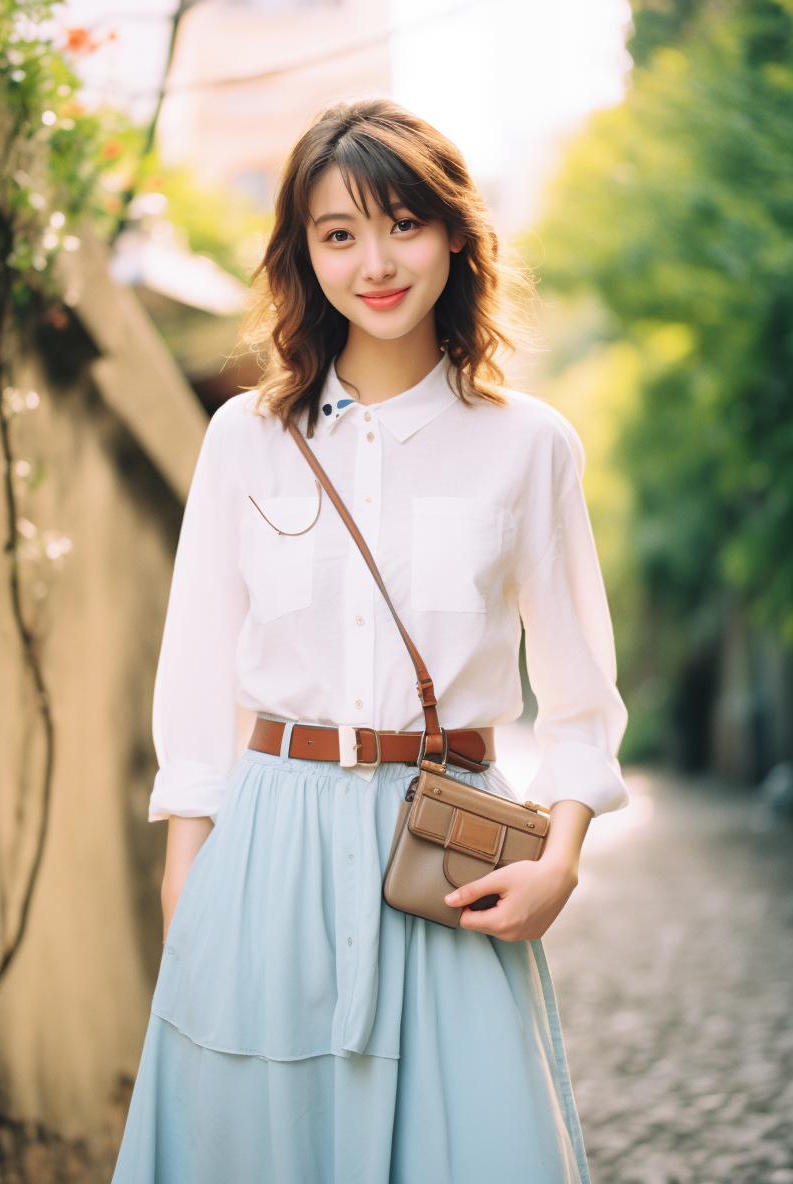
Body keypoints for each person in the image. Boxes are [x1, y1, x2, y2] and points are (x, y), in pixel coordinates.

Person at [112, 98, 628, 1184]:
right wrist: (186, 891)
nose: (376, 262)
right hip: (267, 848)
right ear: (304, 254)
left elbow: (578, 698)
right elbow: (200, 682)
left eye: (402, 223)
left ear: (453, 235)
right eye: (338, 233)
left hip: (444, 858)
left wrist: (564, 860)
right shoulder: (246, 440)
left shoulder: (529, 445)